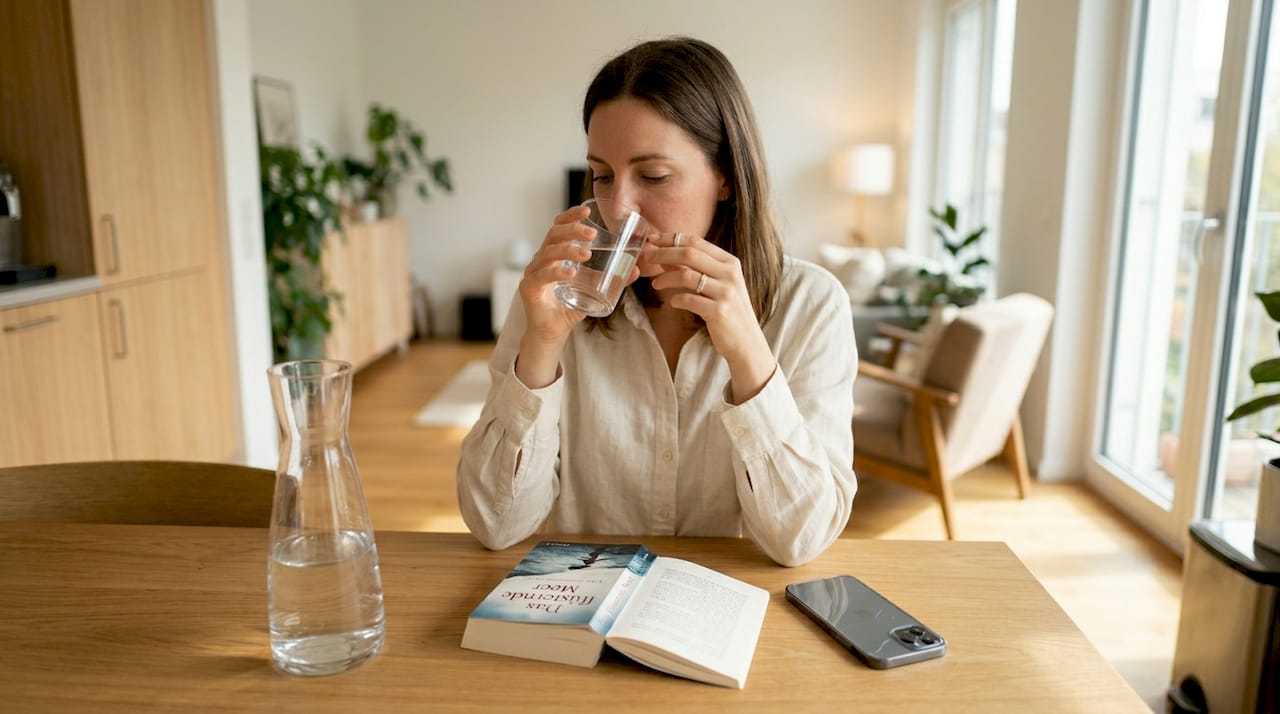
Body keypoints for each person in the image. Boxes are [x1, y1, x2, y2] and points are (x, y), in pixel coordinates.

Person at [456, 36, 856, 567]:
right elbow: (496, 525)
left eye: (654, 176)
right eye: (601, 175)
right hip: (579, 609)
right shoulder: (554, 300)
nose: (617, 207)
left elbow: (800, 541)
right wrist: (542, 346)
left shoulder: (812, 305)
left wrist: (748, 354)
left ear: (727, 179)